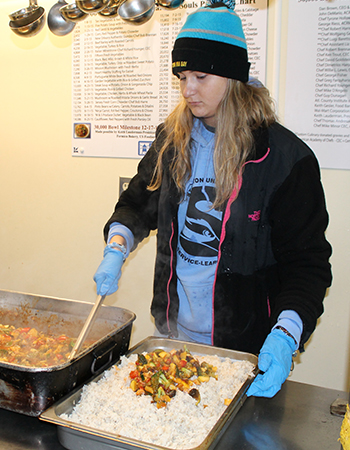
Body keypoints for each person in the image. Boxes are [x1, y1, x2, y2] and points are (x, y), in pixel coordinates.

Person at [94, 0, 332, 398]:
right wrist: (117, 245)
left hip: (247, 345)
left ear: (232, 76)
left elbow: (307, 266)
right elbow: (137, 204)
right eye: (182, 76)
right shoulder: (173, 141)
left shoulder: (286, 160)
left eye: (201, 76)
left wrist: (286, 335)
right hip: (174, 335)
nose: (188, 90)